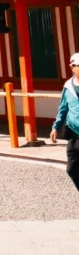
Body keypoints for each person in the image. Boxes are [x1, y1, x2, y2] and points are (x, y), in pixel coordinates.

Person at [50, 52, 79, 189]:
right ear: (72, 67)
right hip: (74, 135)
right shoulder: (68, 86)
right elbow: (63, 108)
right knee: (72, 169)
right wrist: (56, 127)